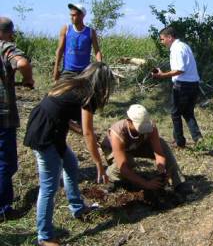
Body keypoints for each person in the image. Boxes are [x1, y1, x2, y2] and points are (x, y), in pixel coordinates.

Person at [23, 62, 114, 246]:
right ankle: (45, 237)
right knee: (49, 187)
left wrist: (82, 131)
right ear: (101, 83)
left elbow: (61, 114)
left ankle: (77, 207)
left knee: (71, 163)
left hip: (48, 127)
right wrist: (99, 165)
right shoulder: (87, 95)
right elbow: (88, 132)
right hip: (45, 134)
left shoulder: (72, 84)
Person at [99, 104, 192, 194]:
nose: (143, 131)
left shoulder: (151, 126)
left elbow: (159, 153)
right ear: (129, 121)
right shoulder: (118, 132)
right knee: (127, 162)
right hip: (112, 149)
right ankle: (110, 178)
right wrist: (146, 184)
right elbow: (123, 168)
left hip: (136, 145)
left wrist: (162, 171)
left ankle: (178, 182)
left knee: (162, 144)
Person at [0, 17, 34, 221]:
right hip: (3, 116)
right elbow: (22, 62)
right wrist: (27, 79)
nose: (12, 36)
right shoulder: (5, 47)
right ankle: (3, 209)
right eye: (10, 32)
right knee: (6, 163)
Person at [152, 26, 202, 148]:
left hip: (183, 85)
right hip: (194, 84)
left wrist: (162, 75)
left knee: (175, 113)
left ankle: (179, 141)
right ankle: (198, 138)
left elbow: (179, 69)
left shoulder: (176, 49)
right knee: (188, 112)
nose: (161, 42)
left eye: (162, 39)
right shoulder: (184, 46)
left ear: (170, 37)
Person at [53, 3, 102, 81]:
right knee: (59, 92)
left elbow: (97, 51)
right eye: (71, 15)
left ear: (82, 16)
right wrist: (56, 69)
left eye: (74, 15)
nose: (71, 17)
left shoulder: (90, 32)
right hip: (68, 71)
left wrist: (100, 65)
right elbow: (60, 50)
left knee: (89, 92)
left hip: (85, 72)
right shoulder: (66, 29)